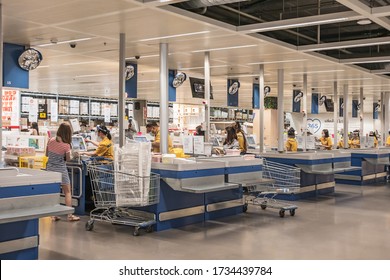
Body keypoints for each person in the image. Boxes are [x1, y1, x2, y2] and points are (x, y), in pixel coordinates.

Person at [46, 123, 79, 222]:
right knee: (67, 192)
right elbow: (68, 159)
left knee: (54, 192)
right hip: (61, 169)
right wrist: (75, 155)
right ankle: (70, 215)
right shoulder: (66, 145)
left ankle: (54, 215)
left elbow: (47, 154)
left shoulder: (50, 140)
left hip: (50, 169)